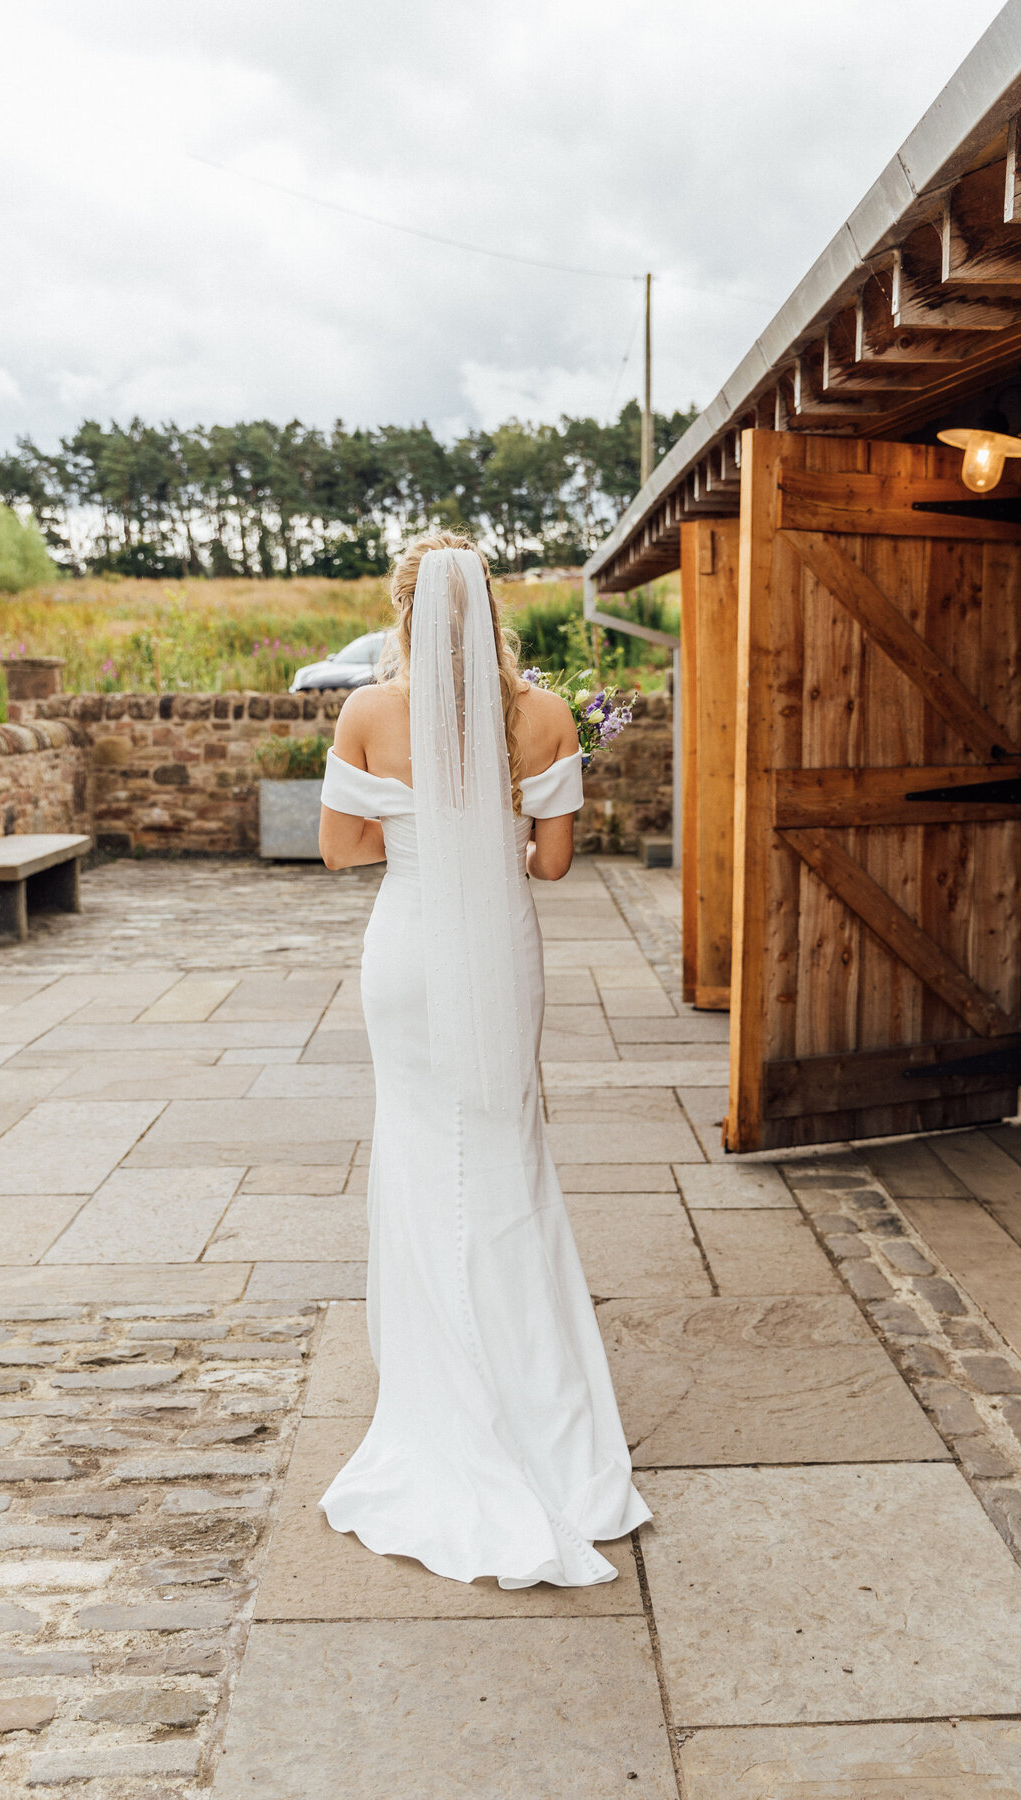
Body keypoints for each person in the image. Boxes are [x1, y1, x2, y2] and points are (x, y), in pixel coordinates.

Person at [316, 531, 649, 1588]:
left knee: (421, 1154)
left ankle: (438, 1395)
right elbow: (551, 864)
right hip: (498, 951)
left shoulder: (369, 712)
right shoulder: (544, 715)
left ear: (406, 610)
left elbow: (338, 850)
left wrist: (423, 833)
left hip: (409, 950)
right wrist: (487, 824)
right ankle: (535, 1402)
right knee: (506, 1155)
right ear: (490, 608)